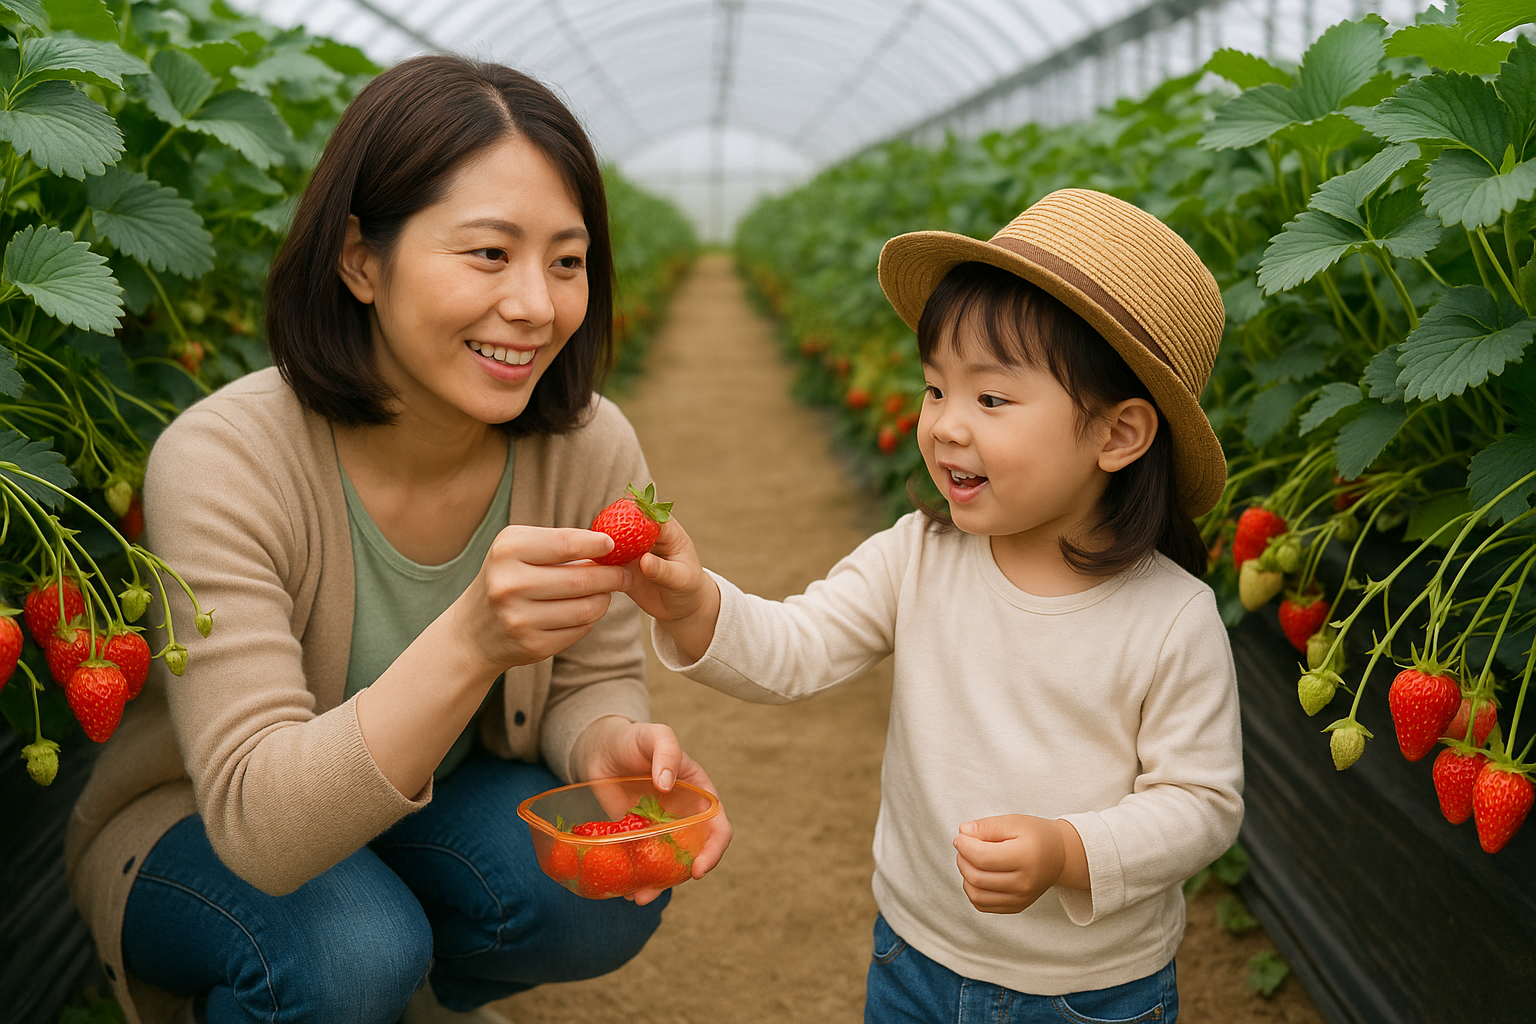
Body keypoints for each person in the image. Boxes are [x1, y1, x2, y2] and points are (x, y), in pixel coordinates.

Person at [64, 55, 730, 1024]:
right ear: (360, 259)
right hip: (201, 827)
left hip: (425, 806)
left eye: (567, 259)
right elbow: (262, 830)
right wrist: (471, 639)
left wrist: (610, 742)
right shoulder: (225, 457)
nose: (538, 305)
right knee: (349, 948)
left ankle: (403, 998)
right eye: (489, 253)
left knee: (583, 897)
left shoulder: (588, 443)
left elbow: (591, 675)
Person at [623, 189, 1243, 1023]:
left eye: (991, 400)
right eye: (935, 389)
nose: (946, 426)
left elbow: (1203, 805)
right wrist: (696, 602)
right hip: (913, 956)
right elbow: (798, 645)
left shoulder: (1170, 618)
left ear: (1118, 435)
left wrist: (1068, 851)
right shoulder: (918, 557)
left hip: (1091, 994)